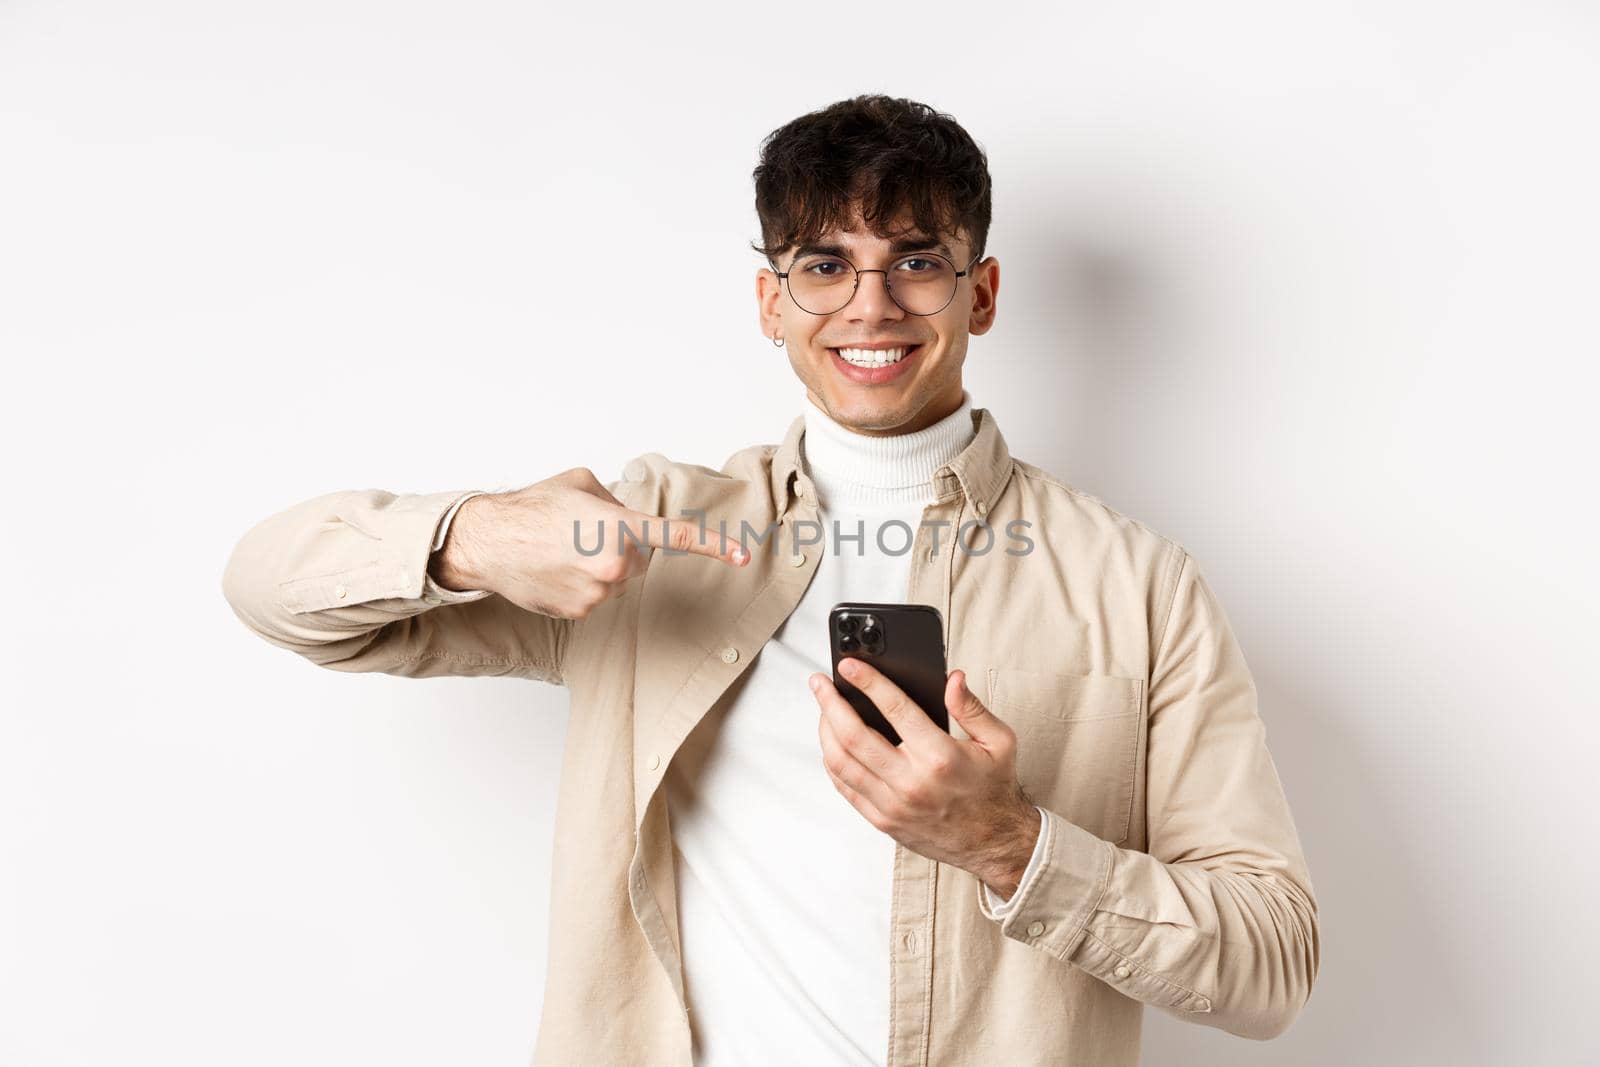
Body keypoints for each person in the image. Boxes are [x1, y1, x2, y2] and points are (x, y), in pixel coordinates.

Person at [222, 93, 1318, 1066]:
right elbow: (272, 587)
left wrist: (1008, 842)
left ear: (979, 293)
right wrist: (471, 534)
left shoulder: (1137, 583)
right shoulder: (646, 536)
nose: (871, 305)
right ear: (770, 302)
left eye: (916, 261)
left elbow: (1271, 961)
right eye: (824, 264)